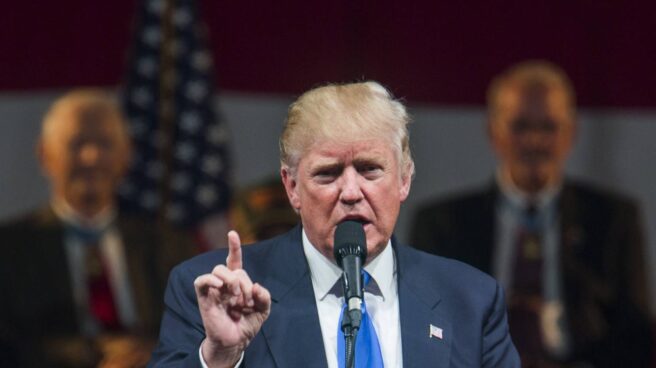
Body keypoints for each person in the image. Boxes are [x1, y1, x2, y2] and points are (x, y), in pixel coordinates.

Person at [148, 81, 520, 367]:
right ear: (292, 187)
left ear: (404, 179)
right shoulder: (213, 292)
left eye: (369, 169)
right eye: (328, 174)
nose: (351, 191)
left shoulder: (470, 300)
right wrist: (219, 356)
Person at [411, 61, 653, 367]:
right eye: (521, 126)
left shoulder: (613, 220)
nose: (535, 141)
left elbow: (637, 341)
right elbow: (423, 333)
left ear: (571, 133)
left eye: (548, 127)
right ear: (493, 131)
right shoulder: (442, 226)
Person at [0, 89, 197, 367]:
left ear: (126, 154)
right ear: (44, 154)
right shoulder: (9, 251)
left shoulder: (170, 246)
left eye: (104, 144)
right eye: (77, 143)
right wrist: (94, 356)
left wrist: (150, 353)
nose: (90, 157)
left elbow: (198, 336)